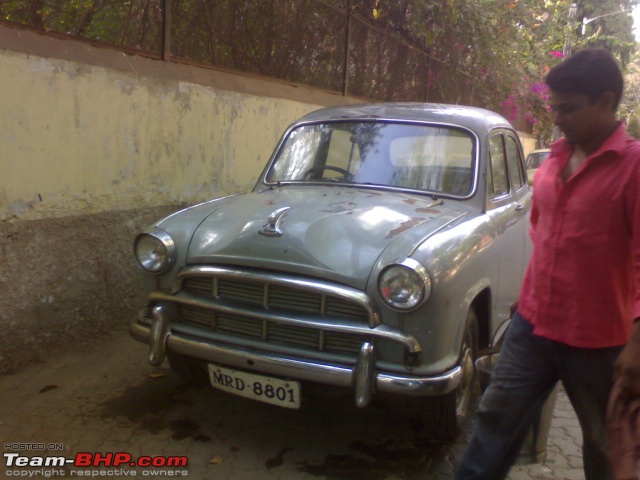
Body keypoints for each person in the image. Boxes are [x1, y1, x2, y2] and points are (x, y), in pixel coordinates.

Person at [455, 48, 640, 480]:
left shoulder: (632, 167)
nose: (558, 118)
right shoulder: (555, 158)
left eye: (569, 108)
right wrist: (526, 296)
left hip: (601, 341)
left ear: (606, 101)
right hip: (533, 327)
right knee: (494, 422)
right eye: (554, 107)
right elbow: (546, 241)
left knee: (605, 446)